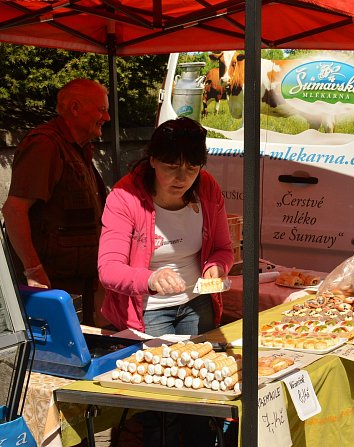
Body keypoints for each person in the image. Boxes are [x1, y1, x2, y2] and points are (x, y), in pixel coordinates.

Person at [97, 117, 233, 446]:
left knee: (201, 395)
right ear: (153, 159)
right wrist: (151, 278)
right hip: (148, 314)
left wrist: (216, 266)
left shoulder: (208, 188)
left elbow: (223, 248)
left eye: (192, 168)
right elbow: (108, 269)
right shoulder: (125, 196)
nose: (182, 178)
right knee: (162, 407)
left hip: (197, 305)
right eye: (172, 166)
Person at [2, 78, 110, 327]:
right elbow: (14, 210)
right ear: (75, 108)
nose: (106, 118)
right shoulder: (45, 145)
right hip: (50, 289)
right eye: (101, 110)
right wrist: (33, 270)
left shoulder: (77, 148)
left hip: (74, 287)